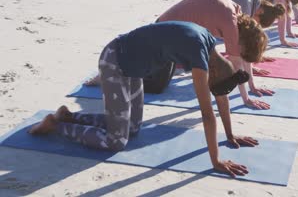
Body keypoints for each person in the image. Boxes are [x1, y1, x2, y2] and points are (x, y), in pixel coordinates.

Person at [29, 21, 258, 178]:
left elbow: (220, 97)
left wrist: (229, 134)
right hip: (115, 62)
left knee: (133, 128)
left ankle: (69, 116)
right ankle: (56, 125)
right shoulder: (201, 59)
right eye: (211, 86)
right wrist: (216, 162)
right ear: (215, 73)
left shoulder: (210, 45)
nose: (209, 87)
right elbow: (207, 115)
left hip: (134, 69)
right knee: (116, 141)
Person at [157, 0, 272, 109]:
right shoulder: (230, 25)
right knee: (156, 87)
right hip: (163, 33)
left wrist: (252, 86)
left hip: (171, 29)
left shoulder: (237, 12)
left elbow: (242, 59)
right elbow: (238, 67)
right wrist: (246, 99)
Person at [213, 0, 286, 28]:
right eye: (258, 23)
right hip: (205, 10)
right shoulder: (246, 4)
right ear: (261, 12)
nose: (255, 24)